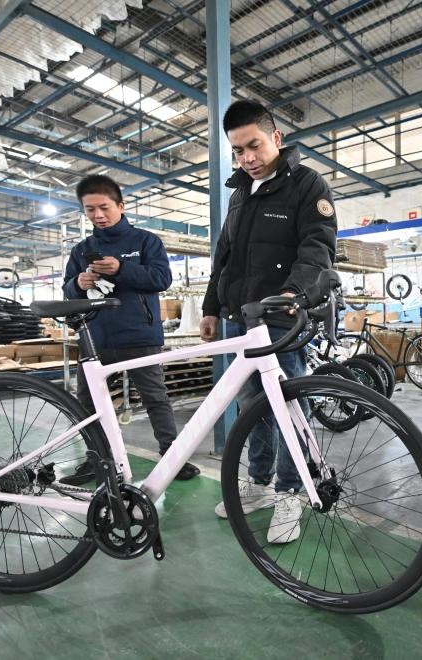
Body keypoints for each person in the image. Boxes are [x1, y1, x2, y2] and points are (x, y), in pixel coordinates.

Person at [200, 99, 336, 544]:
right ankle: (258, 484)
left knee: (287, 407)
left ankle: (291, 492)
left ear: (276, 137)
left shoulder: (307, 185)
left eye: (254, 145)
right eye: (238, 151)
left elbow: (317, 247)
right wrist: (210, 307)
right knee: (251, 406)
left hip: (281, 317)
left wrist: (295, 294)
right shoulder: (239, 195)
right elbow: (223, 257)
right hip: (241, 319)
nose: (248, 158)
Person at [60, 174, 199, 485]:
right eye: (90, 209)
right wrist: (78, 284)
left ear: (121, 206)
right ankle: (96, 460)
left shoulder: (145, 241)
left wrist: (122, 269)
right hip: (95, 338)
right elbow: (67, 291)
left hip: (139, 335)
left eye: (104, 207)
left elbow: (161, 279)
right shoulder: (81, 250)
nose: (98, 215)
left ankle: (173, 458)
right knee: (89, 404)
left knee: (155, 398)